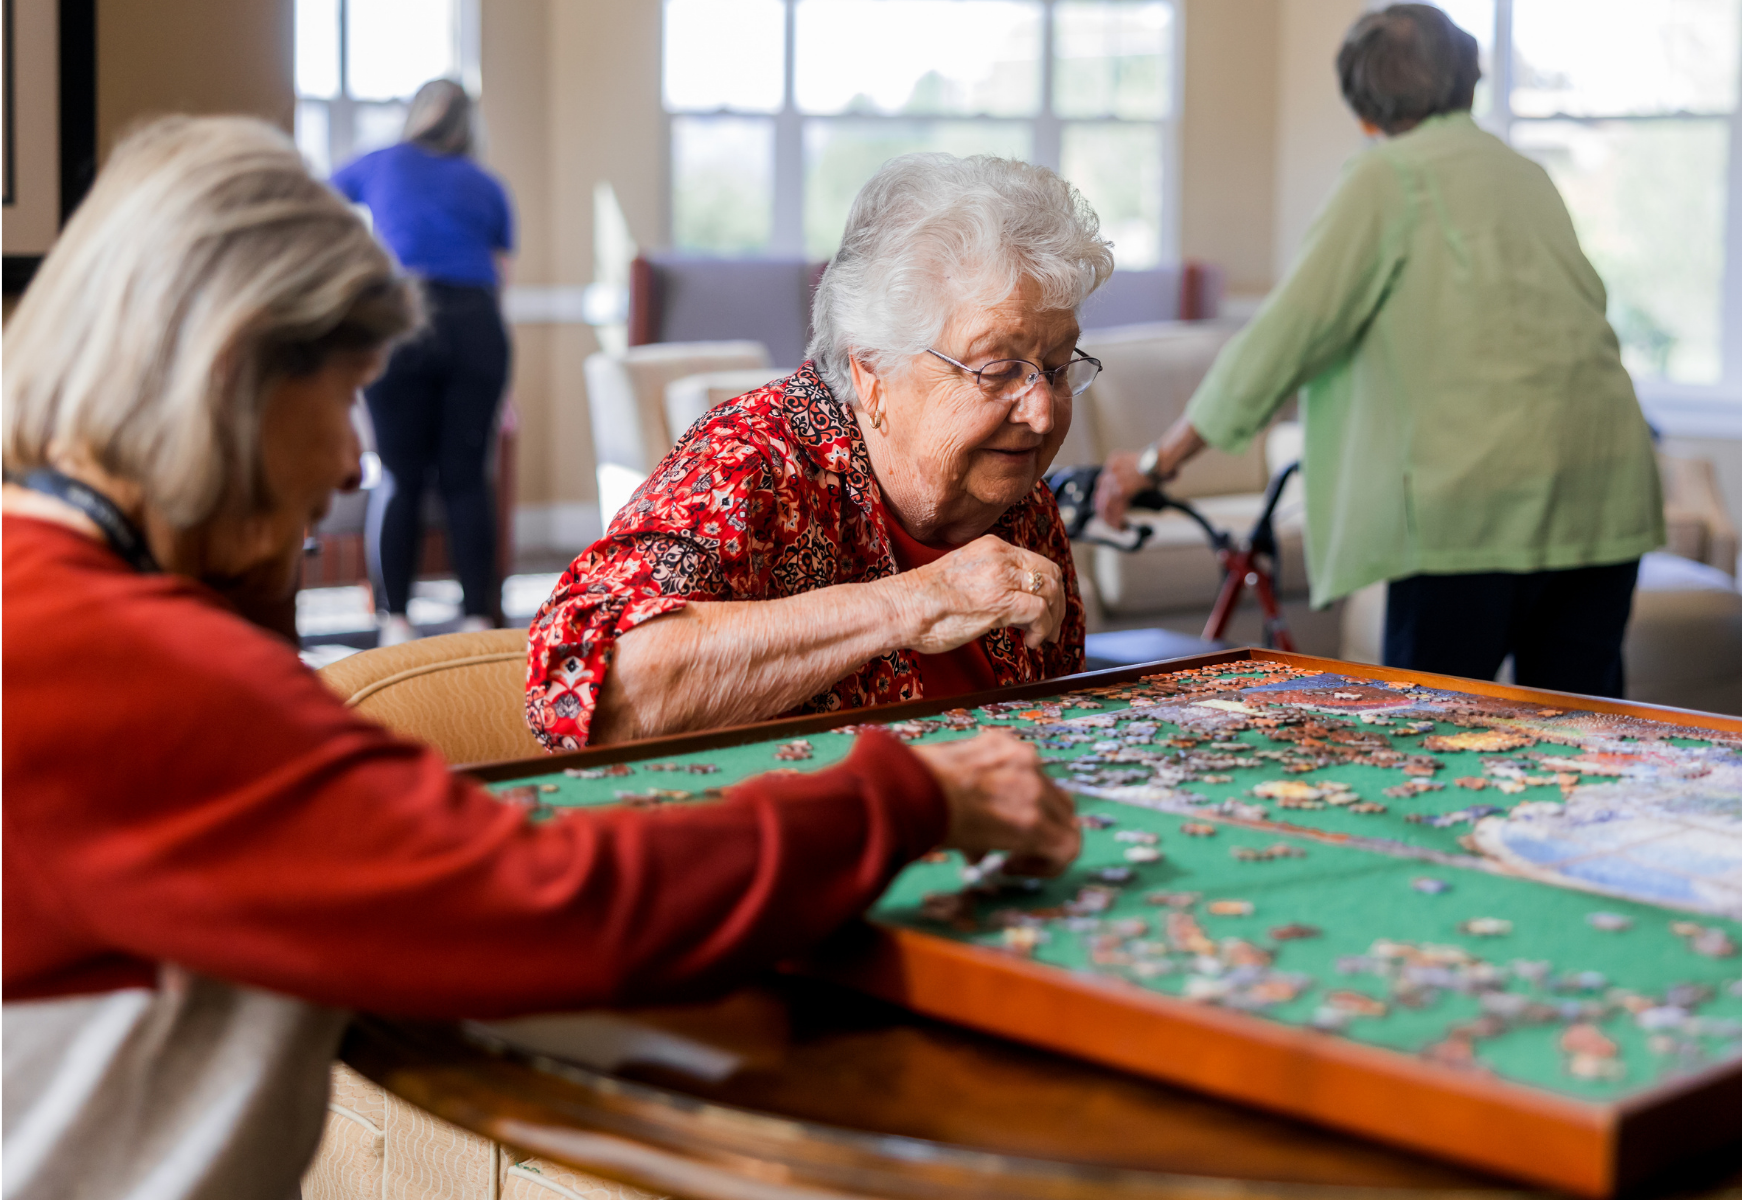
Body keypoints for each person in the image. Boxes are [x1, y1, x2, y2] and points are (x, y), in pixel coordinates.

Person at [0, 117, 1079, 1200]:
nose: (345, 462)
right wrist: (908, 798)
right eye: (340, 400)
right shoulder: (126, 670)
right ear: (225, 379)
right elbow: (553, 907)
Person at [1095, 3, 1663, 699]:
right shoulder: (1524, 173)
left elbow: (1283, 338)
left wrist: (1153, 465)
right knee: (1585, 736)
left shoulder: (1385, 176)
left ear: (1365, 110)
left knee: (1428, 742)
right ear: (1469, 83)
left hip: (1474, 505)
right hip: (1605, 490)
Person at [527, 154, 1112, 750]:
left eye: (1058, 366)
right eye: (996, 368)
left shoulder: (1014, 495)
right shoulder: (752, 464)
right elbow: (584, 694)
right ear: (871, 372)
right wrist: (917, 601)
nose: (1041, 413)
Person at [332, 79, 513, 644]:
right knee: (466, 478)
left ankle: (396, 621)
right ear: (468, 126)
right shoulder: (485, 184)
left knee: (400, 478)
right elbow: (498, 273)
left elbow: (311, 201)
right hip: (475, 325)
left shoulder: (381, 163)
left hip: (401, 319)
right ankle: (480, 619)